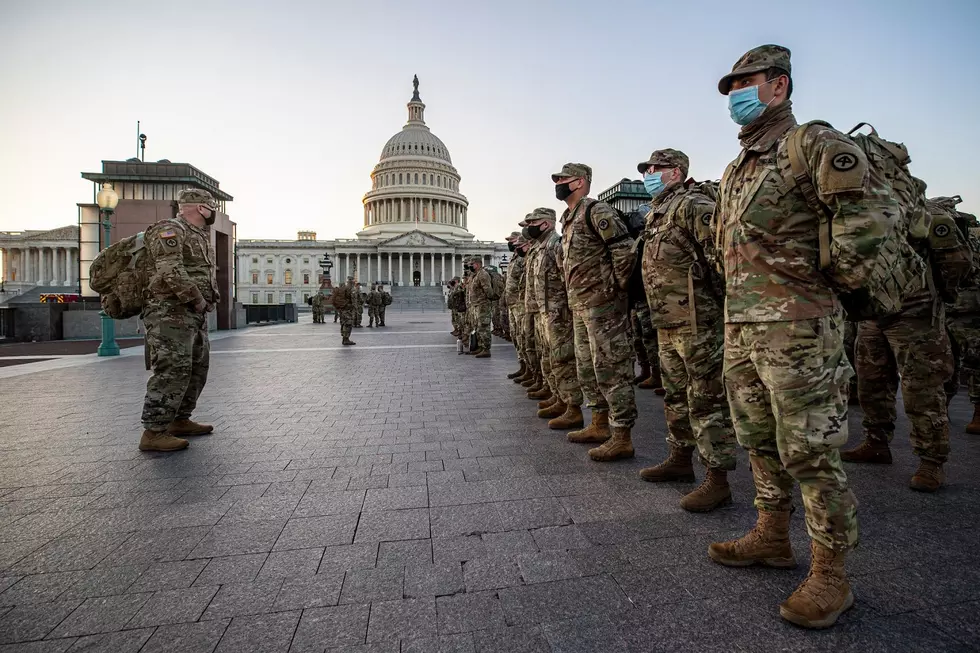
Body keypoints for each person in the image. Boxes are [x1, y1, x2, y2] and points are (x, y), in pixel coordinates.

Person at [710, 44, 872, 629]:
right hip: (744, 327)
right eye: (728, 88)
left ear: (778, 85)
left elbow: (864, 221)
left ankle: (831, 572)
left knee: (810, 449)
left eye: (744, 83)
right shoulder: (738, 167)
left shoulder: (813, 145)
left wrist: (828, 287)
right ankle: (772, 534)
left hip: (800, 326)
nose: (734, 95)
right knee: (756, 437)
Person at [843, 191, 970, 489]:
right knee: (871, 383)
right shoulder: (858, 214)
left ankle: (931, 461)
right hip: (873, 314)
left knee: (921, 388)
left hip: (915, 313)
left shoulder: (927, 215)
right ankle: (876, 442)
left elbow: (957, 262)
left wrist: (939, 297)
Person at [635, 148, 737, 512]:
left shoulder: (692, 204)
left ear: (676, 172)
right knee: (676, 396)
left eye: (655, 168)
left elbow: (722, 257)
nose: (649, 173)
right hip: (668, 321)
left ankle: (718, 478)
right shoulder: (658, 213)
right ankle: (680, 458)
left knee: (706, 400)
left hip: (699, 322)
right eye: (647, 168)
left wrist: (717, 305)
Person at [552, 163, 637, 462]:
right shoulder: (568, 220)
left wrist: (616, 290)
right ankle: (599, 424)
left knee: (612, 370)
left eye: (563, 179)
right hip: (581, 306)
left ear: (580, 182)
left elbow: (624, 250)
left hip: (604, 306)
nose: (558, 183)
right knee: (588, 369)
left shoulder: (596, 211)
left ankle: (622, 435)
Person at [138, 188, 220, 453]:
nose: (213, 212)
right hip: (169, 312)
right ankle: (154, 431)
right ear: (200, 208)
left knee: (196, 368)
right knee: (172, 368)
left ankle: (180, 419)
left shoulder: (198, 236)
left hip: (193, 314)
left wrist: (209, 299)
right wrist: (196, 298)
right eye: (211, 206)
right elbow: (170, 270)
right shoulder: (170, 230)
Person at [526, 207, 585, 430]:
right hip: (545, 311)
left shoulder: (555, 245)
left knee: (563, 360)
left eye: (534, 222)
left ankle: (573, 408)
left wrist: (567, 309)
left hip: (558, 312)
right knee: (550, 358)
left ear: (546, 224)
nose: (530, 227)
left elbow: (568, 276)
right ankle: (560, 398)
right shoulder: (541, 247)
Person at [504, 232, 527, 379]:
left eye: (513, 241)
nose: (511, 244)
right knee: (517, 337)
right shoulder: (514, 258)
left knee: (524, 337)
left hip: (520, 303)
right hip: (513, 303)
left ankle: (531, 372)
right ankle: (524, 367)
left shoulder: (523, 258)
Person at [467, 256, 494, 358]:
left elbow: (488, 290)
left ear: (477, 264)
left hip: (483, 304)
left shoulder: (482, 274)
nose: (470, 266)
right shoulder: (476, 275)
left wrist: (486, 300)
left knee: (483, 327)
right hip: (477, 304)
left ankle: (486, 349)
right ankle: (480, 347)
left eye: (471, 264)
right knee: (478, 327)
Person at [336, 276, 358, 345]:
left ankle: (344, 339)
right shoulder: (350, 289)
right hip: (347, 310)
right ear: (351, 282)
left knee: (344, 324)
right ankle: (346, 339)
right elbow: (353, 300)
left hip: (343, 309)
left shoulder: (344, 288)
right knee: (348, 324)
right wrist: (354, 307)